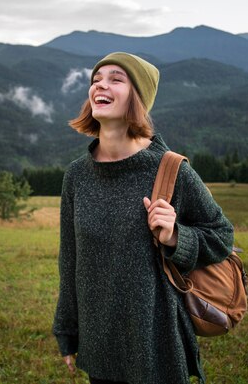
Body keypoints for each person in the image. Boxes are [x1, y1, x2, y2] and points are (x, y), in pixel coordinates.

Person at [53, 52, 234, 384]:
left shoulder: (170, 169)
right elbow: (70, 261)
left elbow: (222, 236)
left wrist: (176, 237)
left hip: (157, 344)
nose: (100, 86)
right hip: (101, 345)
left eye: (115, 79)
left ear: (137, 98)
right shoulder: (76, 176)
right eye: (96, 80)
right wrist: (67, 330)